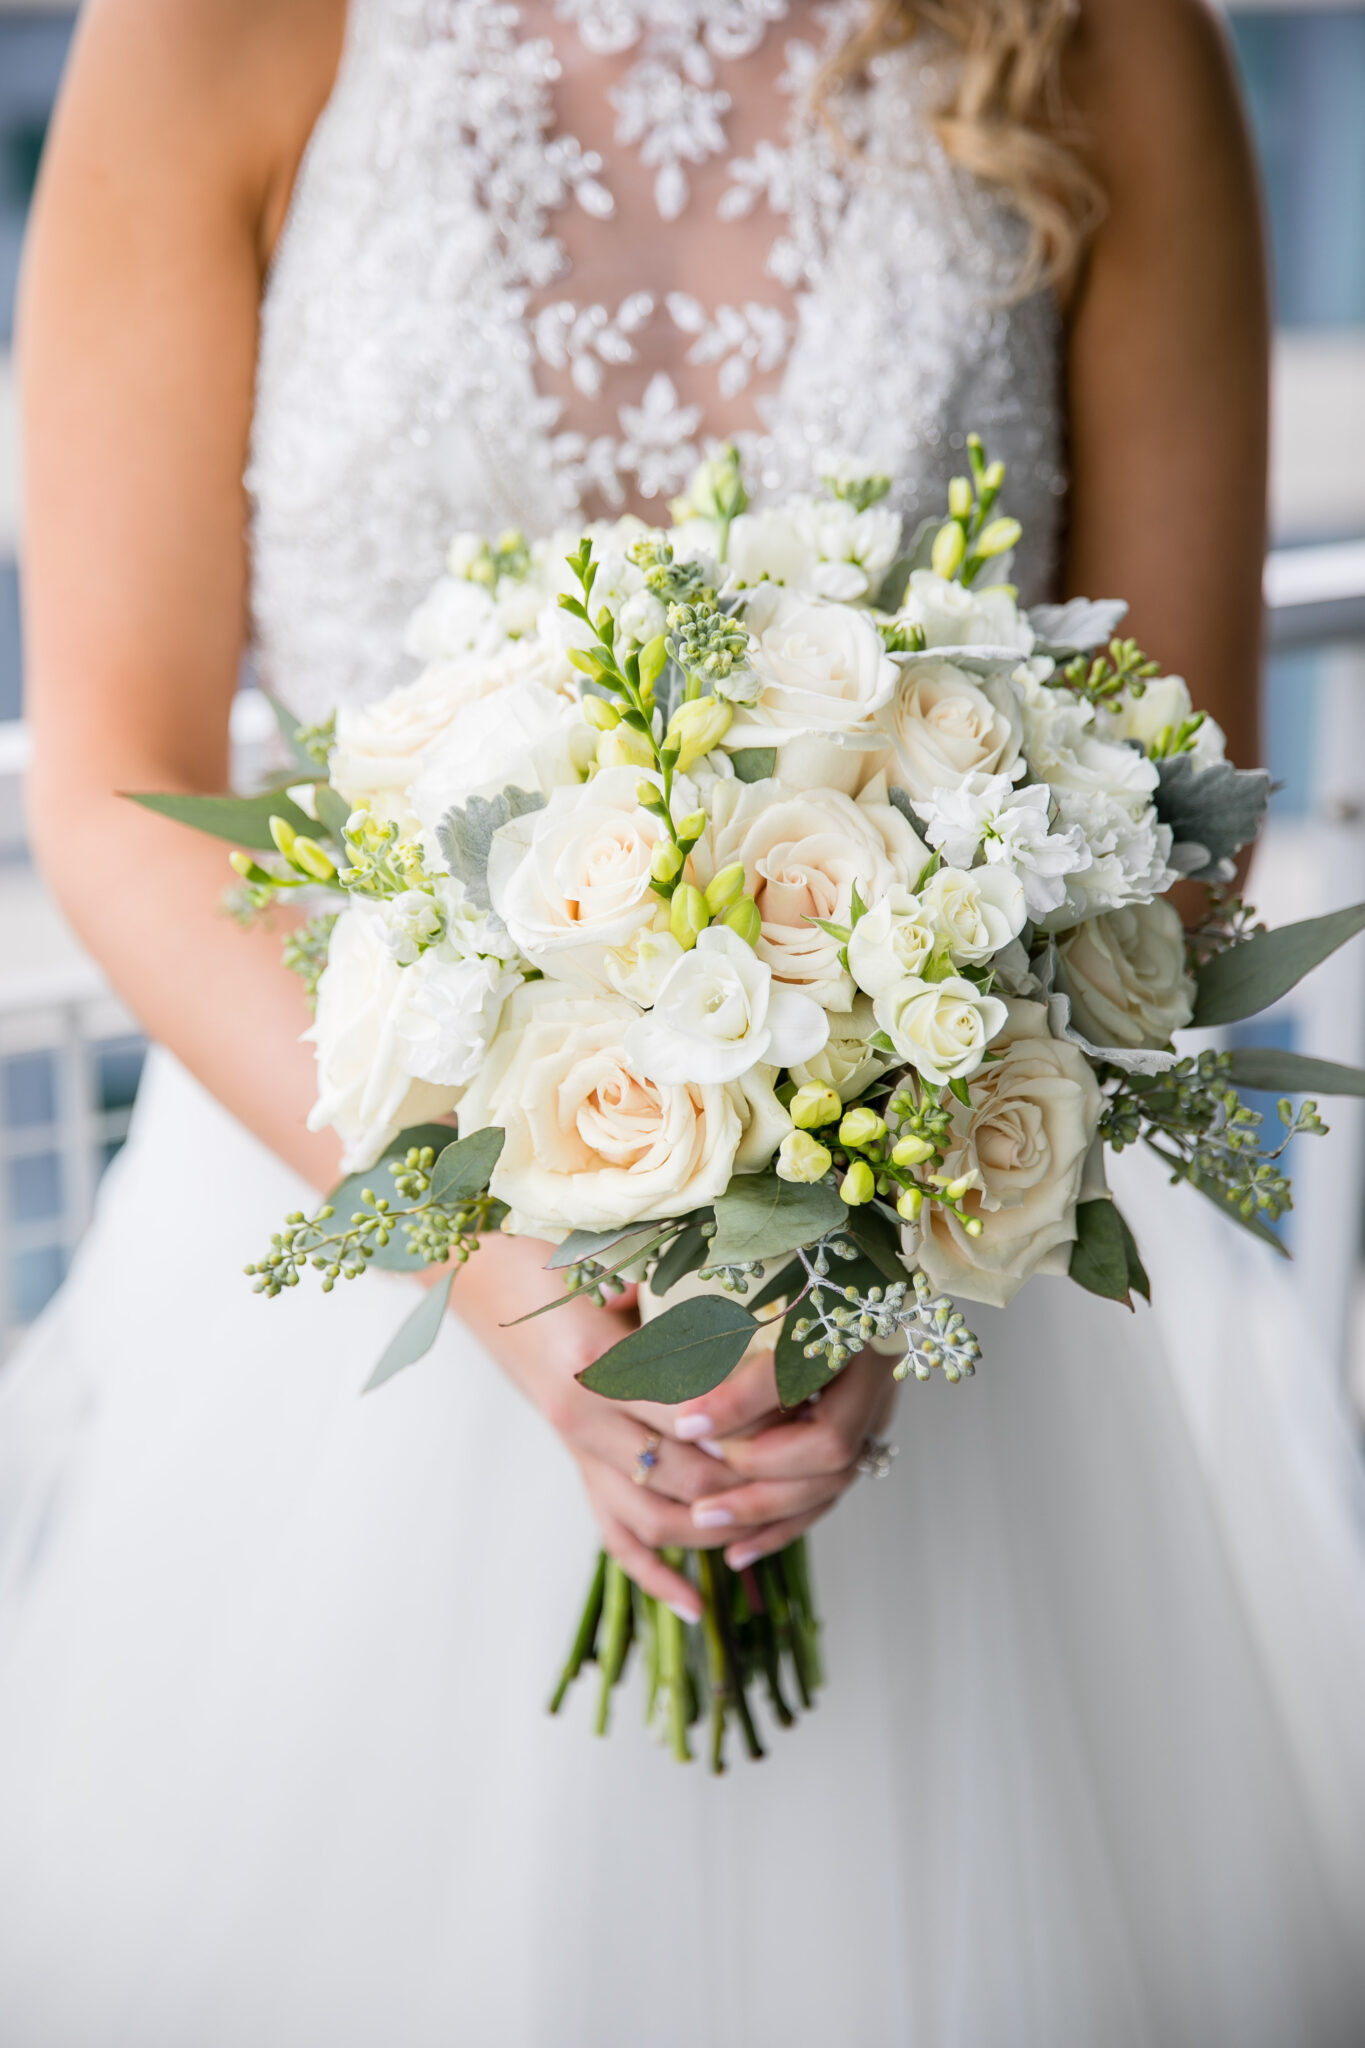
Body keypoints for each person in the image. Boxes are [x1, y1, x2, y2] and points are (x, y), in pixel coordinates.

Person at [2, 0, 1364, 2041]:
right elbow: (115, 772)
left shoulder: (1096, 40)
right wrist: (488, 1261)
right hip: (340, 1256)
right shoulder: (207, 24)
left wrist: (861, 1264)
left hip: (934, 1349)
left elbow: (1176, 799)